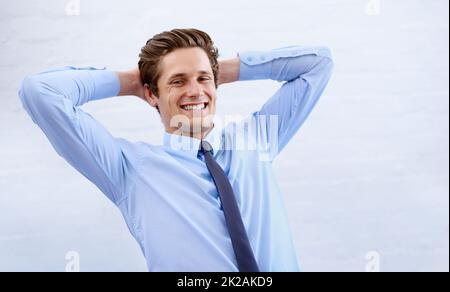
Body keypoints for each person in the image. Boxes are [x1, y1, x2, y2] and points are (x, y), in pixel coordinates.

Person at [19, 28, 334, 272]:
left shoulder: (257, 139)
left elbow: (318, 64)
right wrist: (133, 81)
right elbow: (40, 92)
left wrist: (220, 70)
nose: (195, 90)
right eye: (178, 82)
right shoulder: (128, 169)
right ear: (152, 94)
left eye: (202, 79)